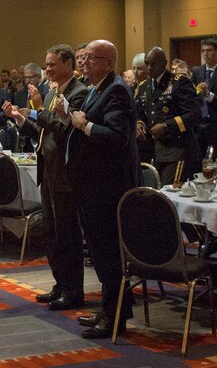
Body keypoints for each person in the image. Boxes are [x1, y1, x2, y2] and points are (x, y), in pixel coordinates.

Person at [4, 44, 88, 310]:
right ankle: (60, 284)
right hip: (48, 171)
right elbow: (44, 132)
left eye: (52, 64)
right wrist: (19, 119)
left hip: (66, 173)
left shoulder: (79, 93)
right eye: (47, 64)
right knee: (51, 233)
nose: (48, 69)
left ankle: (73, 290)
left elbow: (63, 131)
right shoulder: (53, 92)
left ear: (68, 64)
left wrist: (39, 110)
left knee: (66, 234)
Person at [69, 39, 139, 339]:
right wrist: (71, 120)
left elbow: (117, 136)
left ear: (108, 62)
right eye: (82, 58)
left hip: (108, 186)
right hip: (92, 183)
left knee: (108, 251)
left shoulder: (117, 89)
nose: (84, 63)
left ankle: (115, 316)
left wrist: (84, 126)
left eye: (91, 58)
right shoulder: (97, 88)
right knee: (98, 250)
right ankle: (112, 307)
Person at [137, 46, 202, 186]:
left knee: (170, 194)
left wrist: (166, 126)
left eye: (153, 64)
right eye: (146, 64)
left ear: (164, 63)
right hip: (154, 150)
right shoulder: (144, 86)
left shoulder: (179, 82)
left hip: (177, 150)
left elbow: (195, 114)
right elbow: (141, 112)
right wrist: (139, 122)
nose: (149, 68)